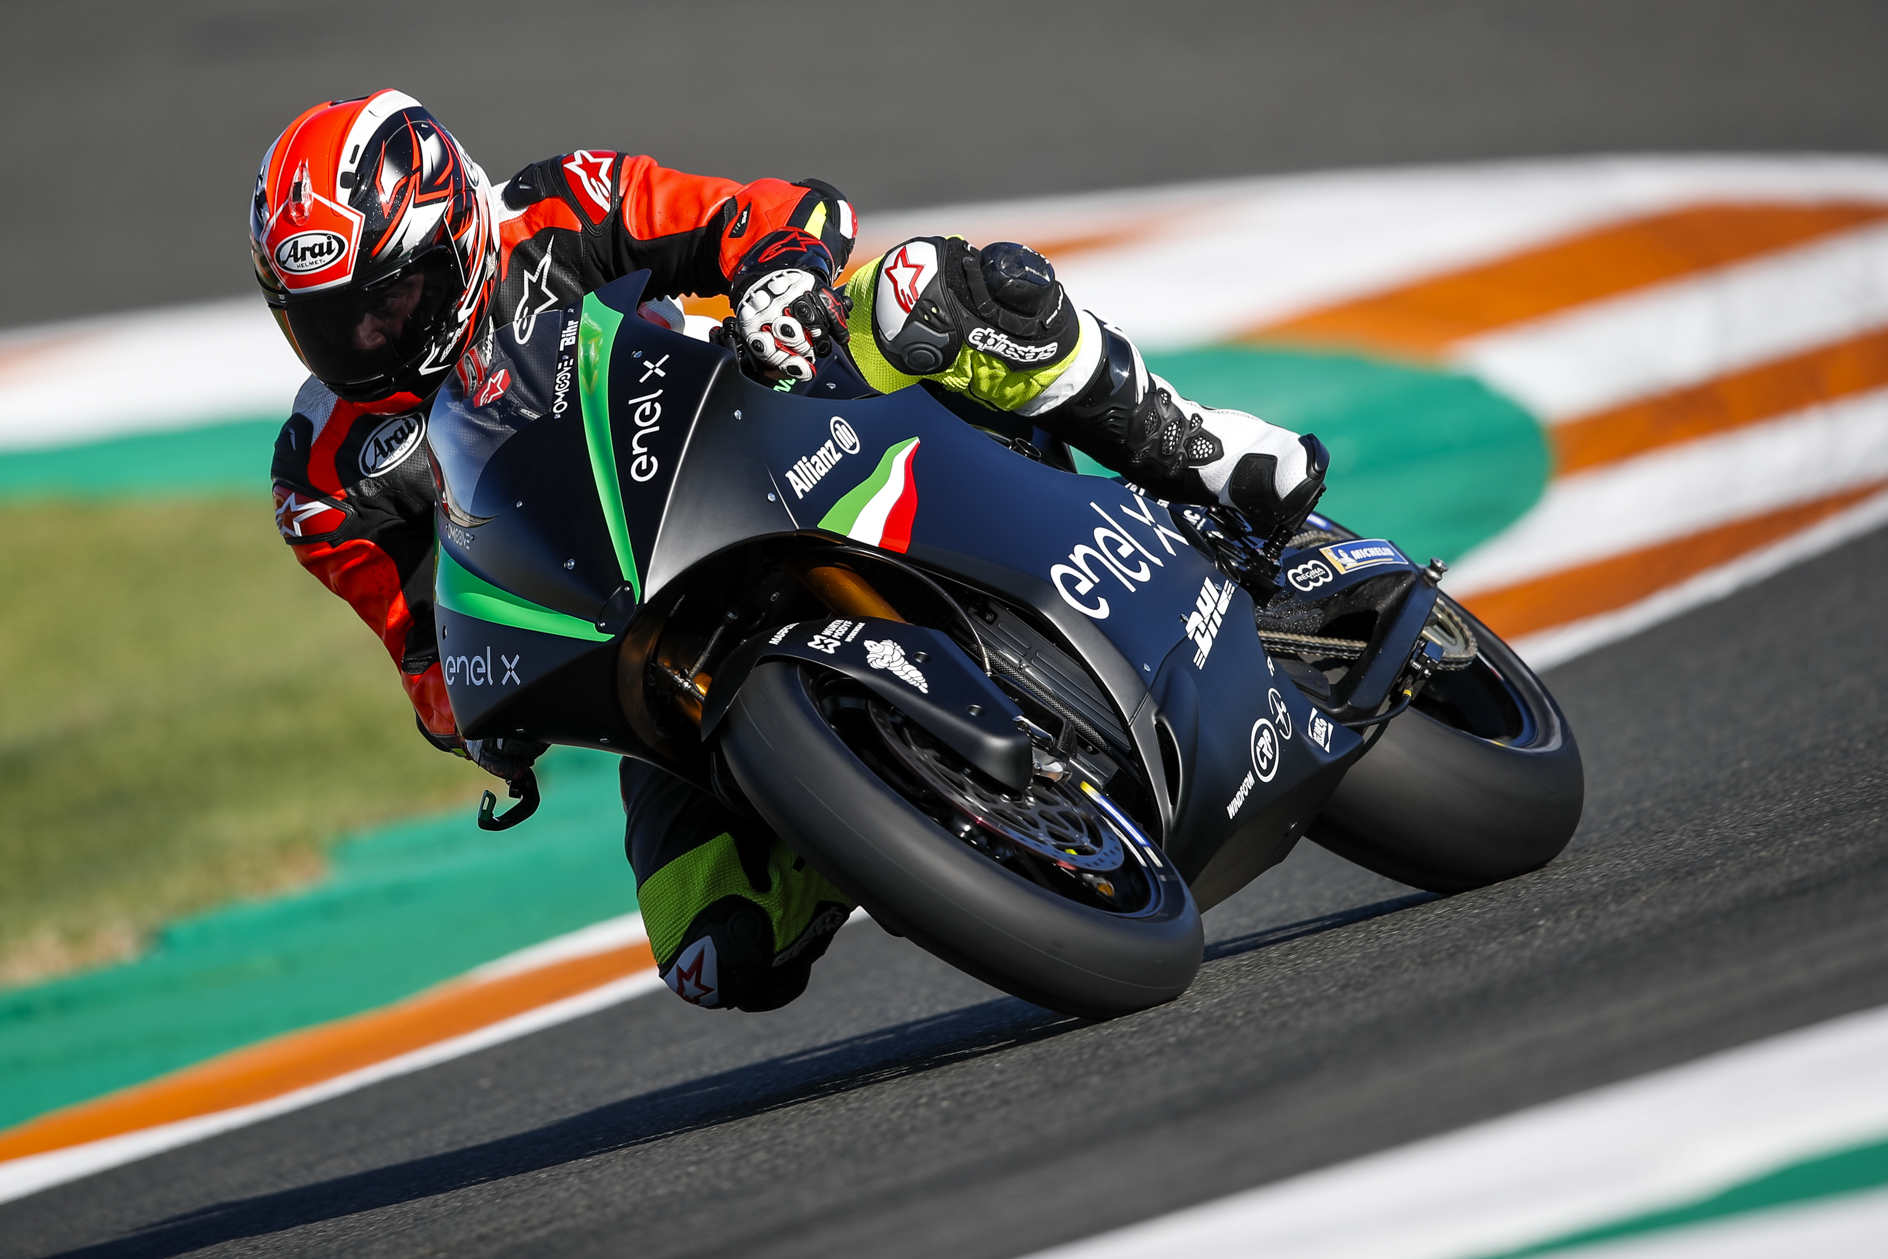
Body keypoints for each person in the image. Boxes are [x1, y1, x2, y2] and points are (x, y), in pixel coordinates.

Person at [256, 90, 1326, 1015]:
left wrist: (778, 276)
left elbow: (770, 212)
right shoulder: (321, 475)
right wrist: (482, 710)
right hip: (649, 623)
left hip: (780, 416)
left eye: (387, 297)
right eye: (327, 321)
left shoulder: (559, 208)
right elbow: (424, 659)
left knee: (925, 290)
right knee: (714, 948)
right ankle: (888, 814)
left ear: (456, 234)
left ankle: (1200, 452)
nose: (366, 338)